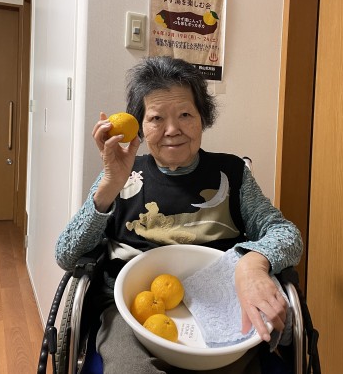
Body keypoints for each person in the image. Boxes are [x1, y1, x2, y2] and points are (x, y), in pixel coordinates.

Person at [55, 56, 303, 374]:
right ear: (140, 126)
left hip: (221, 303)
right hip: (131, 312)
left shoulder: (231, 173)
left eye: (185, 114)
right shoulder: (121, 175)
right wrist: (109, 186)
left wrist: (252, 263)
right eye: (156, 118)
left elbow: (285, 233)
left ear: (202, 118)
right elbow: (66, 255)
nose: (172, 130)